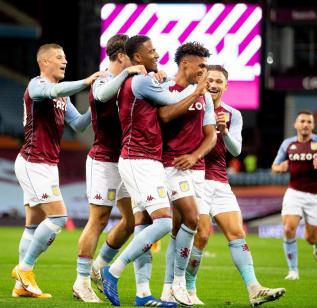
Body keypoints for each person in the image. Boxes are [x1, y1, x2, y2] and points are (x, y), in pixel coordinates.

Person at [100, 35, 208, 307]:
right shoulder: (142, 81)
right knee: (162, 222)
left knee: (145, 224)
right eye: (151, 50)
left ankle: (143, 293)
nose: (157, 53)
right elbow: (169, 101)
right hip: (139, 159)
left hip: (145, 160)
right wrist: (197, 91)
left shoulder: (143, 78)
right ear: (137, 57)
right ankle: (111, 271)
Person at [184, 65, 285, 306]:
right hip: (195, 180)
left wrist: (224, 131)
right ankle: (188, 289)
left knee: (237, 233)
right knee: (203, 235)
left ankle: (253, 289)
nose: (214, 85)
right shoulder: (191, 107)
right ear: (203, 82)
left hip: (220, 182)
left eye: (219, 81)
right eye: (210, 80)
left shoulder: (233, 114)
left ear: (226, 86)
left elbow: (236, 150)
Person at [11, 43, 102, 298]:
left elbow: (79, 124)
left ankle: (22, 286)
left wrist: (97, 102)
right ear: (44, 62)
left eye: (65, 57)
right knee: (59, 217)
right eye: (59, 58)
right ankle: (24, 269)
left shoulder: (62, 97)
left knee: (32, 225)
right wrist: (86, 81)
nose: (64, 61)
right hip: (33, 162)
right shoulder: (37, 85)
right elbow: (53, 90)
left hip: (48, 165)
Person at [73, 34, 147, 303]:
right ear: (120, 57)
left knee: (132, 221)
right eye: (131, 56)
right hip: (103, 160)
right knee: (99, 220)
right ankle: (81, 282)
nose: (137, 60)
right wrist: (128, 71)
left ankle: (98, 266)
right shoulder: (102, 79)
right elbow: (103, 95)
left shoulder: (131, 81)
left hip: (126, 161)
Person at [158, 42, 216, 307]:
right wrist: (196, 92)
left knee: (179, 229)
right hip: (171, 164)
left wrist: (195, 156)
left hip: (196, 168)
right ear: (185, 65)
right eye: (201, 65)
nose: (204, 71)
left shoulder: (203, 95)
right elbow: (166, 116)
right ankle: (180, 283)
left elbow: (211, 135)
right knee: (191, 219)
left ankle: (169, 288)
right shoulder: (167, 88)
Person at [272, 110, 317, 280]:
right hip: (294, 192)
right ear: (296, 124)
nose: (305, 125)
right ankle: (293, 271)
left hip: (316, 195)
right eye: (302, 121)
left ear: (313, 126)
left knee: (309, 238)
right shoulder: (288, 144)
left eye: (309, 122)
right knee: (288, 229)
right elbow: (274, 166)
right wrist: (281, 168)